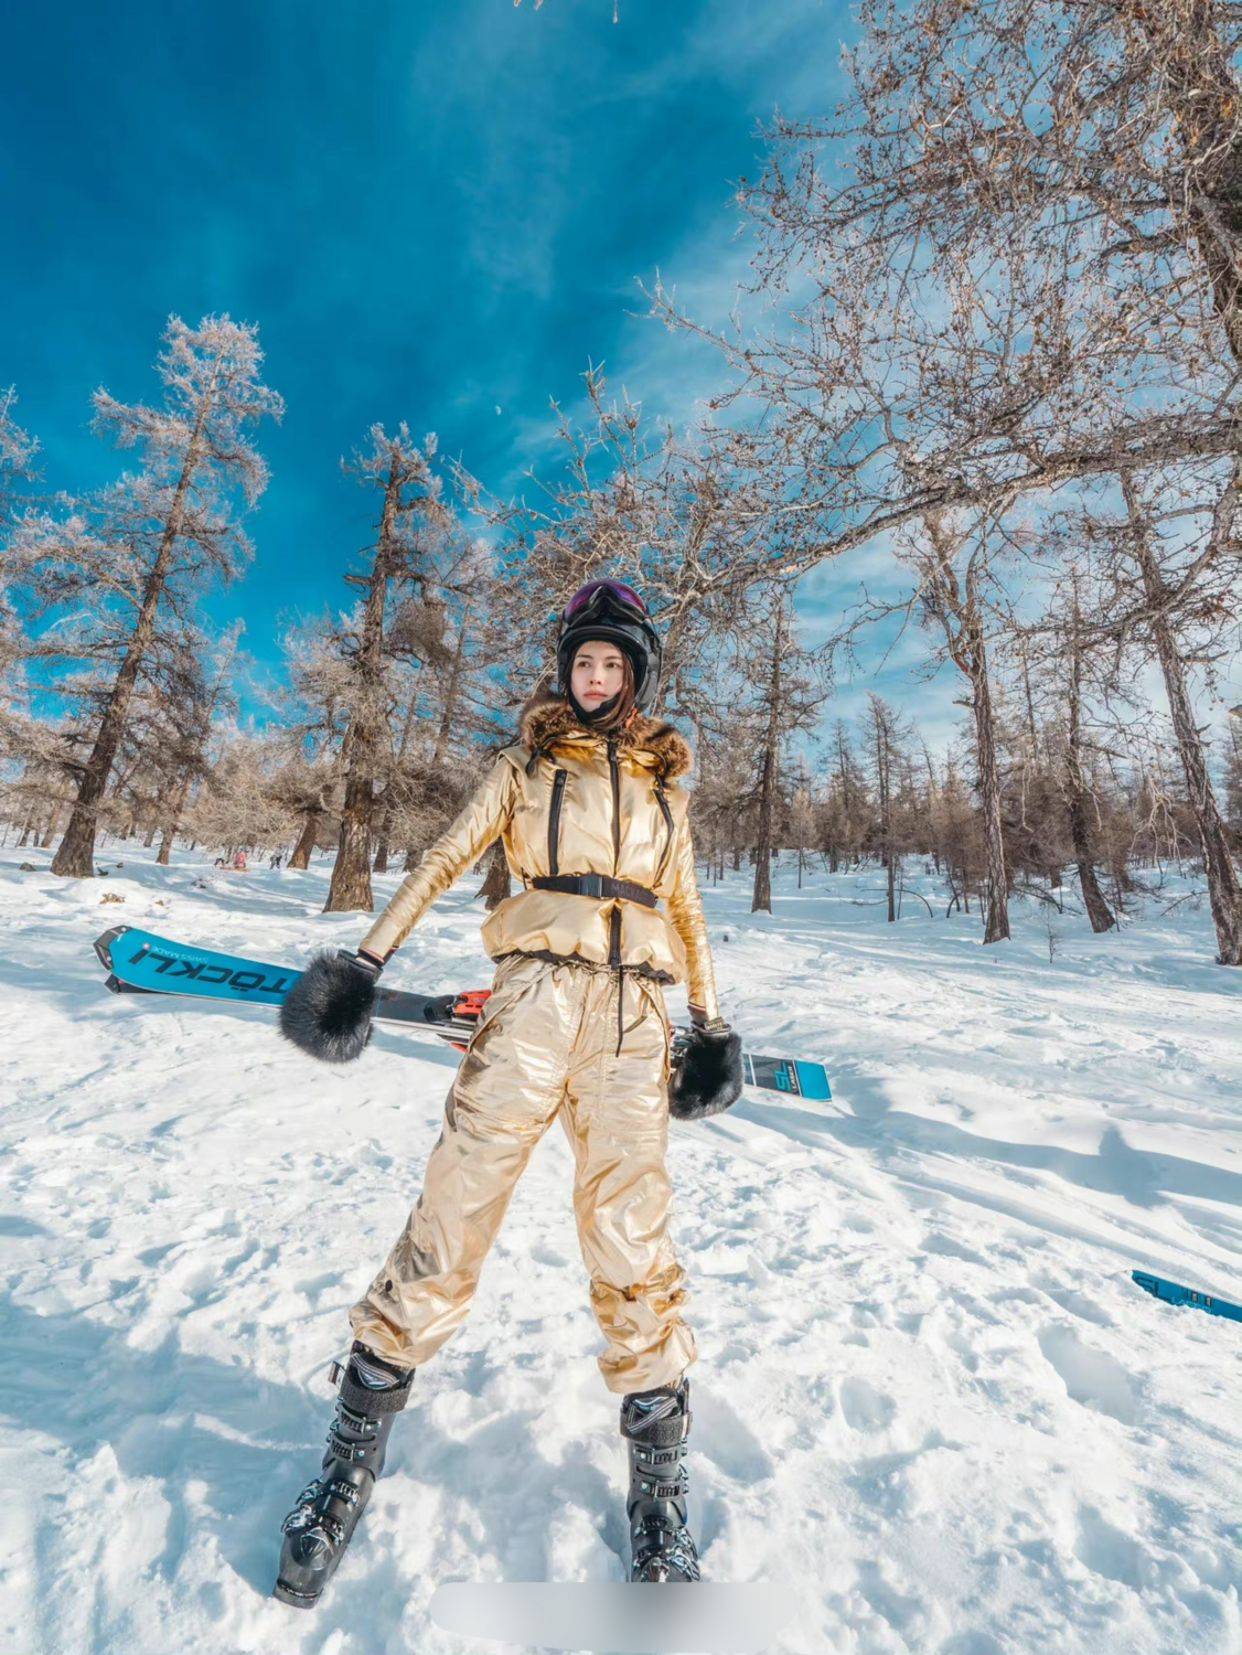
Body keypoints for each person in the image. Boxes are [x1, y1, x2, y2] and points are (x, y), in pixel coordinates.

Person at [272, 579, 742, 1609]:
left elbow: (689, 905)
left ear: (639, 675)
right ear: (564, 669)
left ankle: (659, 1488)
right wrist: (364, 958)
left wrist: (709, 1020)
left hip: (635, 1018)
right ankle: (350, 1457)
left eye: (614, 663)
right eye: (583, 661)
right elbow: (446, 856)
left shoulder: (667, 789)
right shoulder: (525, 763)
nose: (597, 676)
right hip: (532, 998)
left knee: (631, 1233)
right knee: (456, 1205)